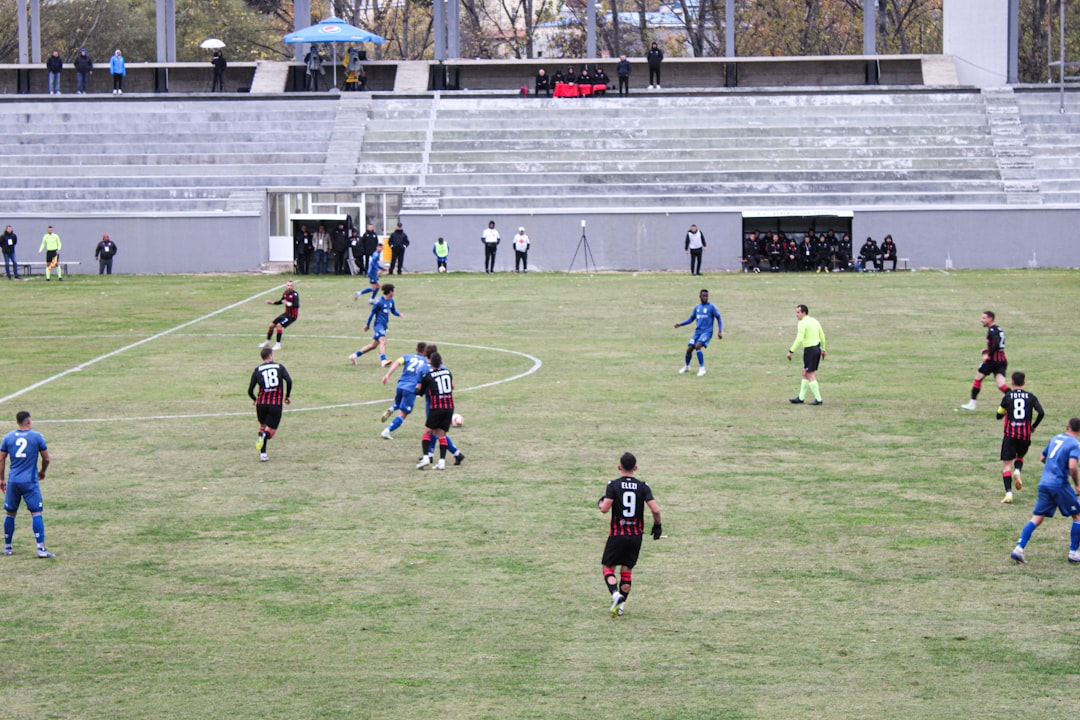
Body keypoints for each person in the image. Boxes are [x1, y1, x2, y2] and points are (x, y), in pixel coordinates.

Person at [598, 452, 662, 618]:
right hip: (635, 536)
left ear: (619, 467)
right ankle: (620, 607)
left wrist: (601, 503)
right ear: (635, 468)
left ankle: (615, 594)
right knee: (626, 571)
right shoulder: (643, 486)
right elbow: (655, 509)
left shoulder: (613, 485)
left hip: (617, 534)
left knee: (608, 568)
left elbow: (605, 509)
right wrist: (657, 526)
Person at [1009, 417, 1080, 565]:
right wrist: (1077, 485)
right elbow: (1073, 466)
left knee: (1037, 517)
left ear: (1067, 427)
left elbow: (1042, 458)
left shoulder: (1055, 438)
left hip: (1044, 482)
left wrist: (1053, 466)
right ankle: (1073, 553)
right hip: (1059, 484)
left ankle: (1019, 549)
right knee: (1077, 516)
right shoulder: (1074, 444)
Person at [1, 411, 54, 558]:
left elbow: (1, 459)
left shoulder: (8, 437)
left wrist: (1, 479)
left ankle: (7, 547)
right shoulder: (37, 437)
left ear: (17, 422)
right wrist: (42, 471)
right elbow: (47, 458)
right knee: (36, 512)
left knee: (10, 513)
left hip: (13, 481)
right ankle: (40, 549)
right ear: (29, 421)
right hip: (30, 481)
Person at [996, 371, 1045, 504]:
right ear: (1024, 382)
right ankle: (1017, 470)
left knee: (1007, 465)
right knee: (1020, 456)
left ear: (1012, 382)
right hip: (1025, 435)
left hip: (1010, 434)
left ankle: (1009, 494)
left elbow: (998, 415)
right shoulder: (1031, 397)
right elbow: (1041, 412)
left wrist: (1004, 411)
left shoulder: (1008, 396)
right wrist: (1033, 426)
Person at [248, 347, 292, 463]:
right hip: (275, 404)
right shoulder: (279, 367)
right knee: (270, 432)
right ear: (271, 356)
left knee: (262, 427)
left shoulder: (257, 370)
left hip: (261, 404)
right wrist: (287, 396)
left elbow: (250, 390)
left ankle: (263, 454)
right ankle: (264, 437)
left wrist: (255, 399)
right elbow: (289, 381)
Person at [380, 341, 431, 439]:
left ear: (416, 349)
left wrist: (387, 375)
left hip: (400, 385)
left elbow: (397, 363)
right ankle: (387, 431)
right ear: (426, 352)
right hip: (411, 388)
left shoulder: (407, 356)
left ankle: (393, 408)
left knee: (398, 402)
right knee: (404, 413)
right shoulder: (426, 363)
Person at [416, 351, 457, 470]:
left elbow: (420, 392)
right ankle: (442, 461)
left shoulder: (428, 376)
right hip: (449, 407)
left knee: (427, 431)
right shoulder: (448, 373)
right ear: (441, 362)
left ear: (430, 362)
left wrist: (414, 390)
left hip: (436, 407)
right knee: (442, 434)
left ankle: (425, 458)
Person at [961, 310, 1008, 411]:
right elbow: (999, 345)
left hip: (993, 361)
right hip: (1002, 360)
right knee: (1001, 385)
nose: (981, 320)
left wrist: (988, 355)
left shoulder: (992, 331)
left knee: (978, 378)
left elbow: (996, 344)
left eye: (984, 318)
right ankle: (1014, 401)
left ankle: (972, 404)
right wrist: (987, 350)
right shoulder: (998, 329)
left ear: (990, 319)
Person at [675, 288, 723, 377]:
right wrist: (680, 324)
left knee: (697, 346)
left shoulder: (711, 307)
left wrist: (720, 331)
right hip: (698, 332)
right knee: (689, 349)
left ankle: (702, 369)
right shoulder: (697, 307)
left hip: (707, 332)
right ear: (700, 297)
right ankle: (687, 366)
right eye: (704, 296)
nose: (705, 298)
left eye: (707, 296)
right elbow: (691, 319)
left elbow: (719, 318)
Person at [350, 283, 400, 366]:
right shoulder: (379, 301)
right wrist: (367, 324)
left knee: (373, 345)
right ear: (390, 292)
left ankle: (354, 355)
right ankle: (383, 361)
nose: (394, 293)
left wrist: (399, 314)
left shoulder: (391, 301)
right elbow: (372, 313)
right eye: (394, 291)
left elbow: (393, 310)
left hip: (384, 326)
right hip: (378, 325)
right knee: (383, 341)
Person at [787, 304, 826, 405]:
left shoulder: (802, 323)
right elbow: (822, 335)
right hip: (816, 348)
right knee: (805, 372)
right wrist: (823, 349)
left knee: (809, 374)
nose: (796, 315)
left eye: (798, 312)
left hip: (810, 350)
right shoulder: (814, 321)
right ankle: (800, 398)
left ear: (804, 313)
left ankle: (818, 399)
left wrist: (791, 351)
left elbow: (799, 338)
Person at [260, 280, 299, 350]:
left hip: (292, 316)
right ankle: (267, 342)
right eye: (288, 285)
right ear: (286, 286)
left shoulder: (295, 294)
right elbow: (282, 301)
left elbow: (296, 305)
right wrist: (272, 303)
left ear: (293, 286)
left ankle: (278, 345)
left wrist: (287, 303)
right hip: (286, 314)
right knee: (271, 326)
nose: (289, 287)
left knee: (279, 325)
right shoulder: (285, 293)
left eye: (291, 285)